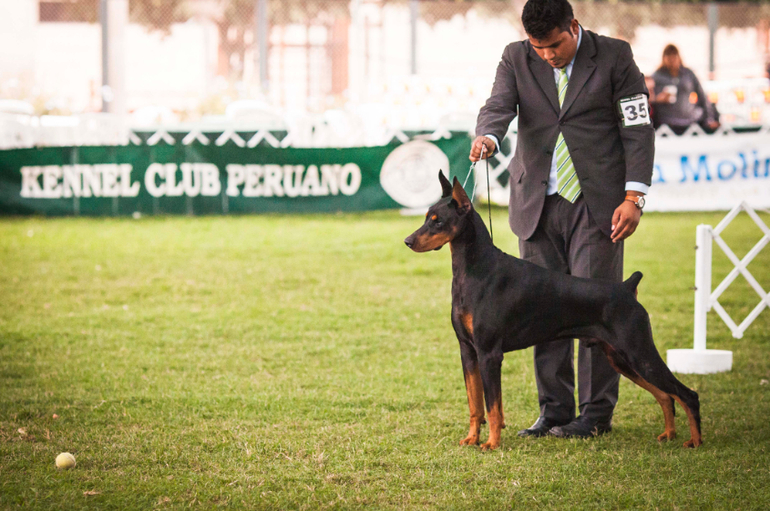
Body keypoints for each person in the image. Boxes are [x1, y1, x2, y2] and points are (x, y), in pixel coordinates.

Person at [470, 0, 654, 439]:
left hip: (599, 205)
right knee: (537, 312)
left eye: (554, 45)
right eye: (539, 48)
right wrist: (488, 135)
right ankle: (553, 410)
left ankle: (594, 415)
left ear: (573, 26)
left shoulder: (615, 55)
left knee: (597, 312)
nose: (547, 55)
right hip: (534, 203)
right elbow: (498, 105)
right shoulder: (516, 56)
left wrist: (634, 196)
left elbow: (637, 127)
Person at [651, 44, 720, 134]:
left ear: (679, 57)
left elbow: (702, 96)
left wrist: (709, 119)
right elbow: (648, 98)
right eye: (668, 56)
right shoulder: (657, 76)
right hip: (666, 120)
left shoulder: (688, 74)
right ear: (664, 58)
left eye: (674, 56)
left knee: (712, 107)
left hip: (689, 117)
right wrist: (657, 99)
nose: (672, 60)